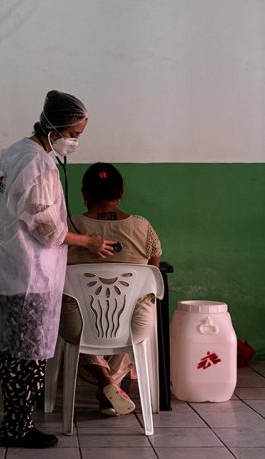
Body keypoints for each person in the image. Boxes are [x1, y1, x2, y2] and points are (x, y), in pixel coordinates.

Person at [0, 91, 118, 449]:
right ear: (56, 128)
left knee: (18, 352)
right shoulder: (37, 164)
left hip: (12, 267)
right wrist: (88, 242)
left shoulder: (14, 153)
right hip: (28, 273)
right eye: (74, 134)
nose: (75, 141)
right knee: (27, 354)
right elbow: (45, 226)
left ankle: (17, 420)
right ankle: (17, 429)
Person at [61, 162, 163, 416]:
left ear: (84, 195)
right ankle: (111, 386)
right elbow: (154, 266)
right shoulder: (142, 227)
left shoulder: (69, 227)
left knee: (84, 314)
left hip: (79, 327)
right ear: (121, 195)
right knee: (127, 312)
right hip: (133, 326)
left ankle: (105, 381)